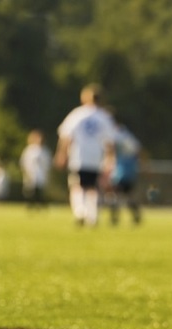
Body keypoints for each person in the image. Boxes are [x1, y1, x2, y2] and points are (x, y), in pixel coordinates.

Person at [54, 84, 117, 226]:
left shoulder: (77, 114)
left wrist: (61, 154)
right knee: (92, 188)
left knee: (77, 185)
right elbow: (110, 142)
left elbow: (66, 136)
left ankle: (80, 211)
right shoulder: (104, 117)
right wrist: (110, 158)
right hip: (95, 158)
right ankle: (92, 216)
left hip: (79, 156)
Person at [106, 123, 142, 225]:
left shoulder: (116, 137)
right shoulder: (131, 138)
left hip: (120, 173)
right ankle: (136, 216)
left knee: (114, 196)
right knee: (128, 196)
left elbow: (110, 150)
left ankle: (114, 218)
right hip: (130, 173)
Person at [20, 129, 52, 208]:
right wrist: (26, 172)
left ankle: (40, 204)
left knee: (39, 191)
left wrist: (47, 173)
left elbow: (48, 163)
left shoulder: (45, 151)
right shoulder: (30, 150)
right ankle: (30, 205)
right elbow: (24, 162)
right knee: (30, 191)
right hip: (31, 173)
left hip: (41, 174)